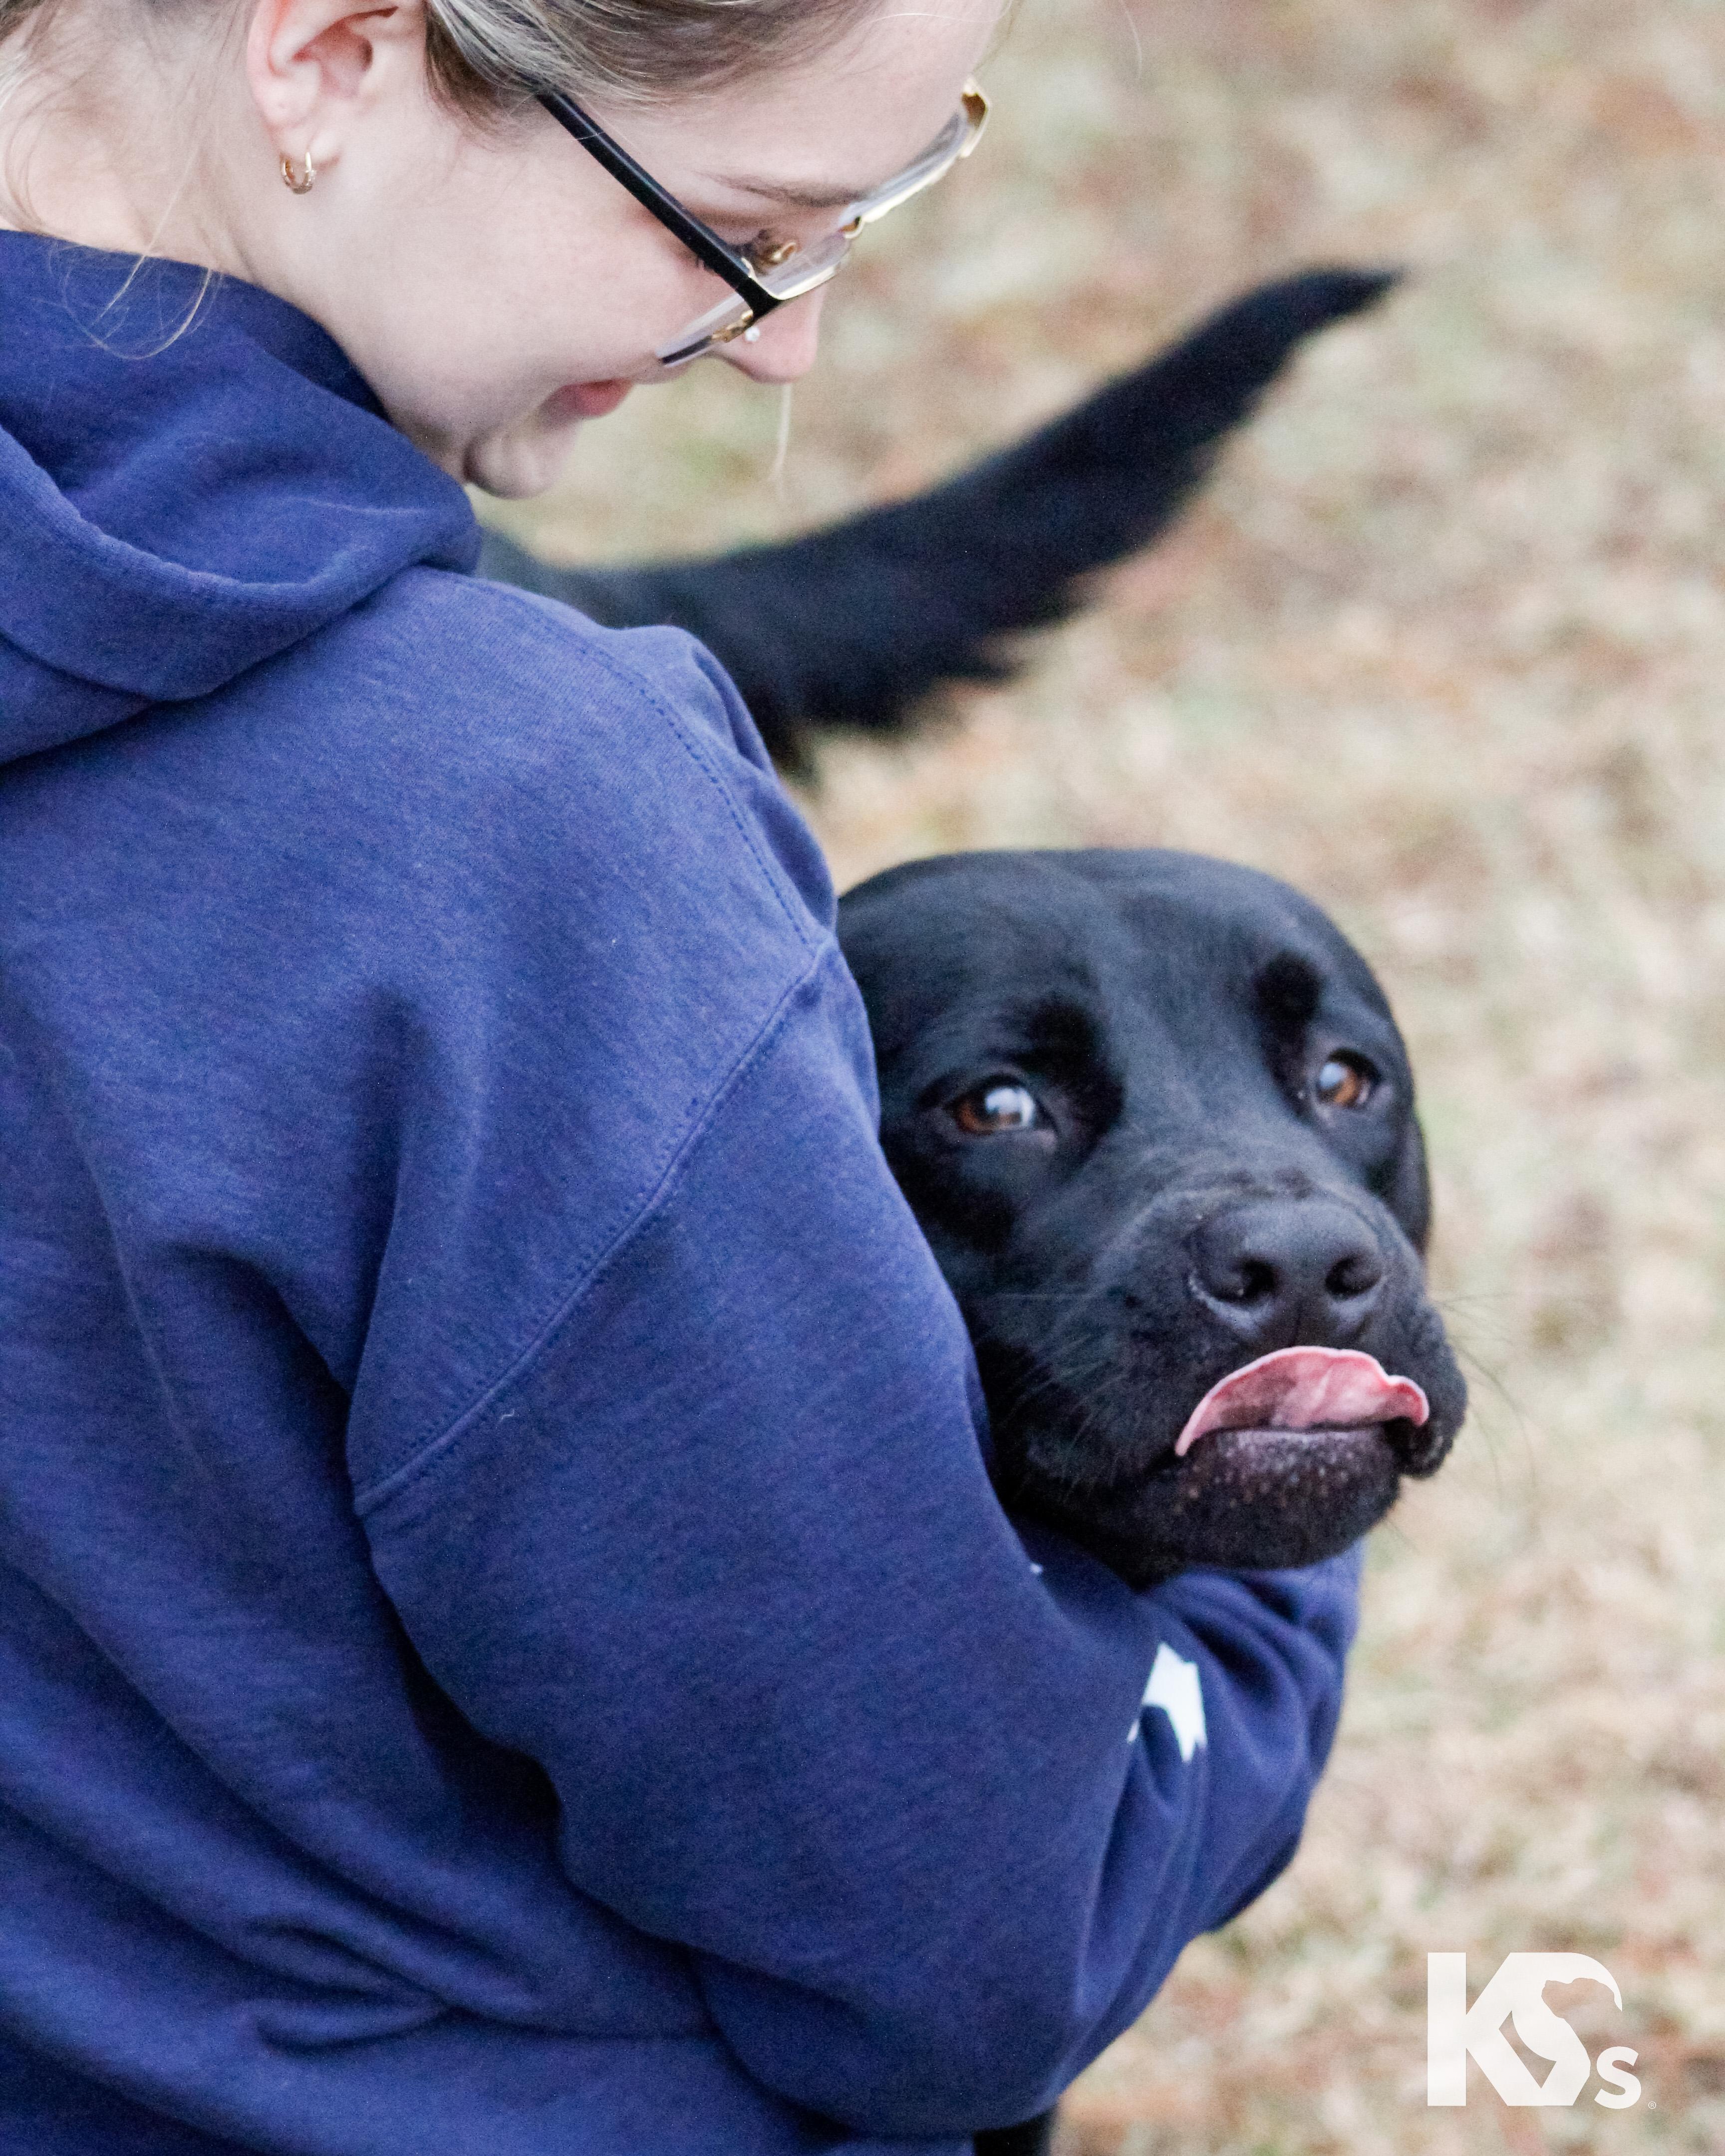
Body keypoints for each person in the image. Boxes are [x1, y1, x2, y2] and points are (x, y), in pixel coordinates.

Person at [0, 0, 1362, 2148]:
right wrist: (1272, 1539)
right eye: (736, 230)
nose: (778, 348)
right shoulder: (514, 831)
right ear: (331, 55)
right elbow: (964, 1940)